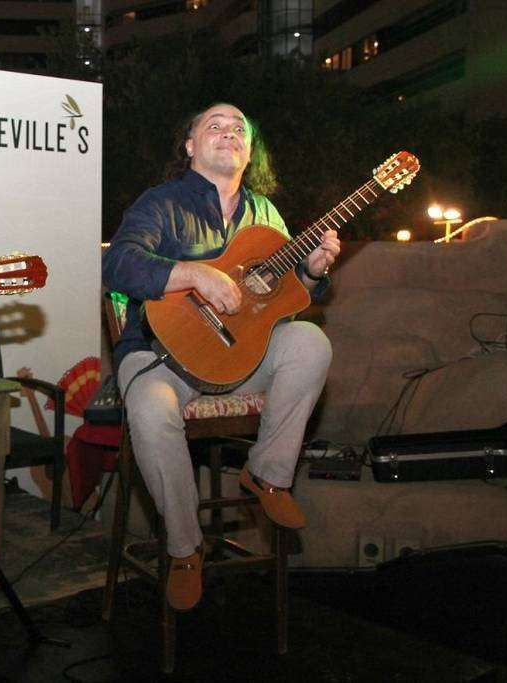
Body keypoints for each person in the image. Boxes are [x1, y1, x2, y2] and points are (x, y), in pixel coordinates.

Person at [102, 103, 340, 612]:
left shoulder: (267, 216)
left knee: (311, 343)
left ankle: (268, 474)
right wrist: (195, 275)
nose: (229, 133)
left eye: (240, 130)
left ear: (249, 151)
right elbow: (119, 264)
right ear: (190, 145)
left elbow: (284, 300)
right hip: (162, 353)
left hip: (241, 361)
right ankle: (186, 549)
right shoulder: (161, 203)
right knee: (149, 406)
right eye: (215, 125)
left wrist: (313, 272)